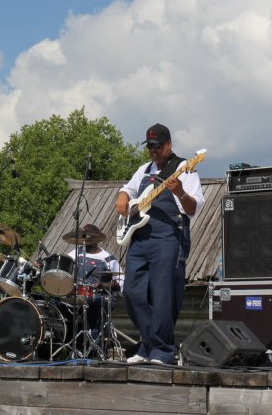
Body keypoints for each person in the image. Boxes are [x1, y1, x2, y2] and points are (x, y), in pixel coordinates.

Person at [114, 123, 205, 364]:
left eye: (156, 146)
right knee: (131, 292)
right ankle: (151, 341)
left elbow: (193, 208)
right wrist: (123, 195)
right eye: (149, 146)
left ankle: (161, 350)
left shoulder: (185, 169)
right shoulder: (144, 169)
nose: (153, 150)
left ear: (168, 145)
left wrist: (180, 193)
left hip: (168, 237)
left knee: (163, 295)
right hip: (140, 237)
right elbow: (128, 189)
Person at [66, 224, 124, 344]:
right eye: (83, 236)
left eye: (88, 237)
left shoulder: (108, 258)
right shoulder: (75, 253)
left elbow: (120, 282)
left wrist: (103, 285)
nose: (85, 239)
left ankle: (94, 344)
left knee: (96, 303)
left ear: (96, 239)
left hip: (99, 295)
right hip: (77, 294)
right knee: (57, 302)